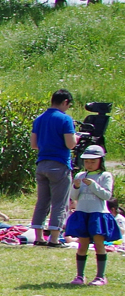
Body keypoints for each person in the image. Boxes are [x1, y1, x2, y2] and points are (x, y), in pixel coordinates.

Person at [32, 89, 80, 246]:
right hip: (59, 164)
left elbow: (34, 144)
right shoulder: (65, 120)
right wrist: (78, 138)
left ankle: (38, 236)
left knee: (42, 201)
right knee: (60, 202)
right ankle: (53, 238)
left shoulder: (39, 119)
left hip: (42, 163)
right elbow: (70, 144)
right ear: (65, 102)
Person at [68, 146, 118, 285]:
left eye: (93, 161)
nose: (89, 164)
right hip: (83, 213)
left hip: (98, 214)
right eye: (86, 161)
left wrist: (93, 185)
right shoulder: (80, 176)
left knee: (98, 244)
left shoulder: (105, 176)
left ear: (100, 161)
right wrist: (76, 187)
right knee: (82, 245)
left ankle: (100, 276)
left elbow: (106, 195)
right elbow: (74, 197)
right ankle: (80, 276)